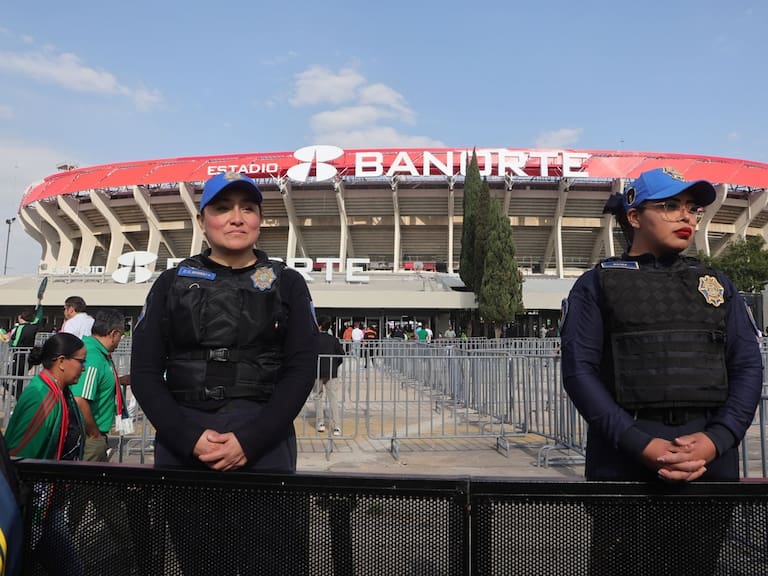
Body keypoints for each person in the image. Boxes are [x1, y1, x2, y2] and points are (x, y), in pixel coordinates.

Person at [560, 167, 763, 575]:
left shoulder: (716, 283)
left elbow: (747, 366)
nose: (686, 216)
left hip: (708, 462)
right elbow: (579, 373)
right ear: (634, 216)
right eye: (670, 206)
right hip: (626, 459)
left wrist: (716, 439)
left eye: (692, 207)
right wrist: (641, 444)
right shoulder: (596, 284)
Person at [130, 171, 317, 574]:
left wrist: (250, 440)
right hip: (186, 448)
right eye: (222, 208)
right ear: (202, 220)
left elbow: (301, 369)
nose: (236, 218)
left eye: (248, 208)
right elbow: (144, 371)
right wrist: (188, 438)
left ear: (260, 220)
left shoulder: (288, 283)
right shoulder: (170, 283)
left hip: (264, 447)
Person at [3, 332, 86, 576]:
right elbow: (18, 454)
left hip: (49, 503)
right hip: (38, 506)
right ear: (61, 361)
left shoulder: (61, 392)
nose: (83, 367)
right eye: (81, 361)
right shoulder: (42, 397)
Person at [314, 316, 345, 436]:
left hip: (317, 372)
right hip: (332, 373)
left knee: (317, 397)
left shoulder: (314, 339)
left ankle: (320, 423)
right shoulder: (334, 340)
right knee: (333, 398)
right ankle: (337, 426)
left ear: (320, 326)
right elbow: (341, 354)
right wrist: (335, 365)